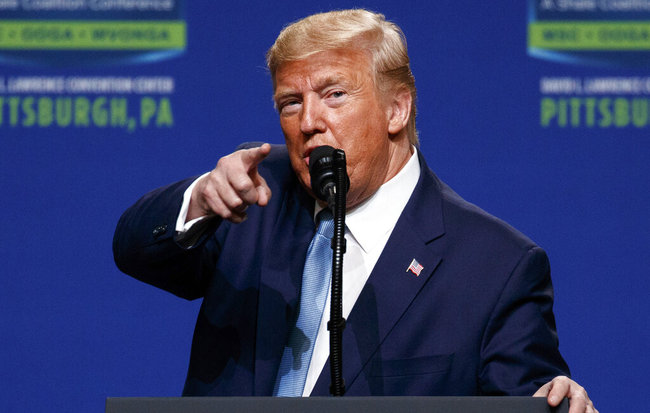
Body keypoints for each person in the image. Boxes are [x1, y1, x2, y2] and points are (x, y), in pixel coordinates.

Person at [113, 9, 597, 413]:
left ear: (396, 110)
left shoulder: (496, 267)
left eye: (334, 94)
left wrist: (558, 402)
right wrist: (199, 200)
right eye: (290, 102)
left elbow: (536, 398)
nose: (308, 122)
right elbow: (133, 252)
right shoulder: (256, 195)